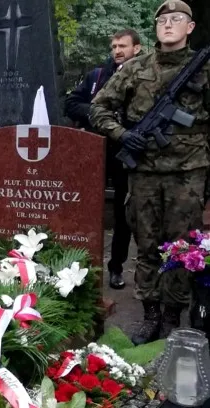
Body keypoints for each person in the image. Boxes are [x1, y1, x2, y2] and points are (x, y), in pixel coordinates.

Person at [90, 0, 210, 344]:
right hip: (143, 172)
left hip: (188, 173)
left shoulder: (202, 68)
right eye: (162, 20)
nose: (168, 25)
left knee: (182, 247)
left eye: (177, 20)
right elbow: (99, 108)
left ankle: (173, 315)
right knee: (146, 245)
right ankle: (150, 315)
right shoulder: (134, 67)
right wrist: (124, 134)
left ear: (189, 28)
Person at [65, 29, 142, 290]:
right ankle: (77, 264)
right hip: (95, 150)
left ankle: (116, 267)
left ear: (137, 49)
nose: (117, 51)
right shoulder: (97, 76)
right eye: (114, 46)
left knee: (123, 213)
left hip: (126, 152)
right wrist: (100, 115)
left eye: (123, 46)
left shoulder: (144, 76)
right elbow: (72, 104)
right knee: (82, 208)